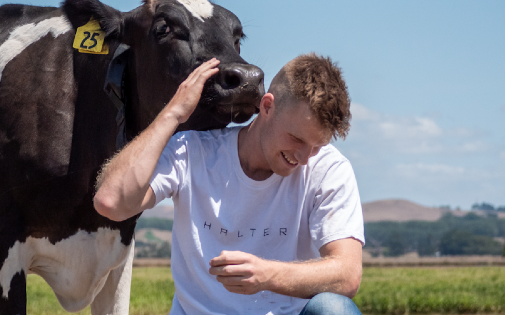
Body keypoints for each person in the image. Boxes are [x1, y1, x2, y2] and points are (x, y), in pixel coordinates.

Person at [94, 53, 365, 315]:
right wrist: (172, 114)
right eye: (297, 139)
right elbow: (110, 202)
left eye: (317, 146)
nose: (305, 158)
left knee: (334, 309)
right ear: (267, 106)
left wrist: (268, 275)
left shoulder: (330, 169)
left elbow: (347, 274)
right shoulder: (192, 152)